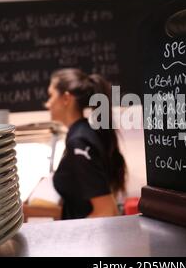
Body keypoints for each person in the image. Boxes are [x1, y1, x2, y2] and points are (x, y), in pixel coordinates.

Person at [45, 68, 126, 219]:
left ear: (66, 99)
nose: (47, 103)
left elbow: (106, 210)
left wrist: (74, 239)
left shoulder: (79, 142)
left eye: (51, 96)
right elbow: (79, 209)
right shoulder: (83, 133)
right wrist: (27, 211)